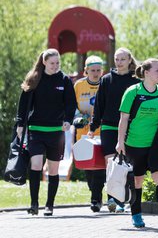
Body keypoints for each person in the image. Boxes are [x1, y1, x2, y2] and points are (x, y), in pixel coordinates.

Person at [116, 58, 158, 228]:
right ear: (146, 73)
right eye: (157, 70)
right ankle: (136, 213)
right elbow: (123, 119)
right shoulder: (133, 92)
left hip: (157, 145)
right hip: (135, 144)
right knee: (137, 181)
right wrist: (120, 142)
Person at [16, 48, 76, 216]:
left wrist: (68, 120)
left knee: (53, 170)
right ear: (44, 62)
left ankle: (49, 205)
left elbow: (71, 104)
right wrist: (20, 124)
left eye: (57, 63)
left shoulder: (64, 80)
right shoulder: (34, 79)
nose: (55, 66)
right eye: (52, 63)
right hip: (36, 130)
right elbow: (23, 104)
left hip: (56, 131)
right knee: (35, 165)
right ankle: (34, 204)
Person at [88, 48, 140, 213]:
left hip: (130, 127)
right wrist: (93, 126)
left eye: (122, 59)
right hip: (109, 126)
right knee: (111, 164)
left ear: (129, 60)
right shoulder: (106, 80)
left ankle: (123, 198)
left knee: (127, 164)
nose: (119, 62)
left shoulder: (135, 81)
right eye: (117, 59)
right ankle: (113, 199)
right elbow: (99, 105)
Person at [73, 55, 105, 212]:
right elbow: (72, 107)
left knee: (99, 166)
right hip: (84, 133)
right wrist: (78, 117)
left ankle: (95, 199)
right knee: (88, 168)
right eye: (92, 70)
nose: (95, 73)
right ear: (85, 71)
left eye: (98, 70)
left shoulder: (106, 84)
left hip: (101, 132)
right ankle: (95, 193)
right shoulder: (79, 85)